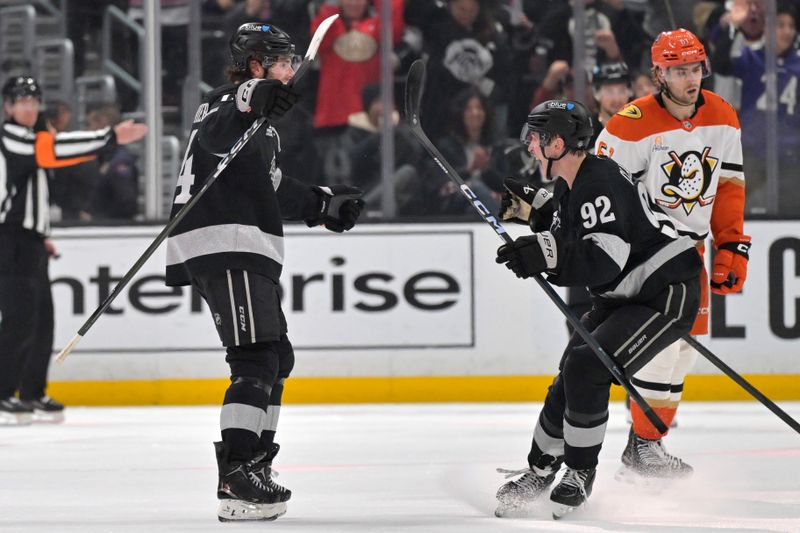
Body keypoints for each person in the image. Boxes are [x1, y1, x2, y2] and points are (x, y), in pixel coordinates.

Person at [164, 23, 364, 522]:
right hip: (224, 241)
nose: (292, 69)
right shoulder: (225, 104)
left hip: (246, 244)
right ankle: (235, 473)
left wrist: (322, 204)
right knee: (253, 356)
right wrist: (258, 94)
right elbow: (229, 111)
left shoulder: (262, 128)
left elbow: (271, 184)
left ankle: (253, 460)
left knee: (277, 355)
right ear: (256, 65)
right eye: (281, 61)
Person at [493, 99, 701, 519]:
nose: (530, 146)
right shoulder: (575, 182)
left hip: (665, 290)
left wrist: (544, 254)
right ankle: (540, 469)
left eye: (536, 138)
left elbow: (603, 257)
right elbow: (574, 231)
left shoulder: (597, 181)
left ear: (559, 142)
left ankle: (579, 472)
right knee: (571, 371)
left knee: (589, 366)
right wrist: (540, 216)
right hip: (626, 293)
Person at [595, 28, 750, 482]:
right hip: (645, 256)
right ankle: (642, 447)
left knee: (683, 350)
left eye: (695, 68)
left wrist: (732, 247)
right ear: (658, 73)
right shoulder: (629, 122)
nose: (690, 78)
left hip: (690, 254)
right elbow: (601, 193)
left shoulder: (722, 116)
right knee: (663, 348)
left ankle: (646, 447)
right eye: (678, 70)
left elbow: (728, 189)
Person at [0, 76, 147, 425]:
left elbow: (40, 175)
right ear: (7, 107)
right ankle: (4, 392)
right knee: (19, 319)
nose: (29, 107)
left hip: (29, 239)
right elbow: (50, 153)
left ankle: (31, 391)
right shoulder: (13, 139)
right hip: (9, 239)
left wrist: (41, 232)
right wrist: (108, 137)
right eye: (22, 101)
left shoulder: (32, 139)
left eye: (34, 101)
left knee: (42, 321)